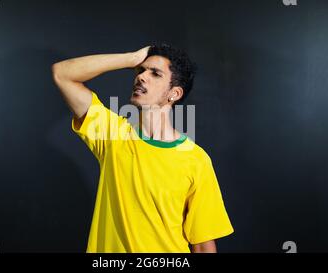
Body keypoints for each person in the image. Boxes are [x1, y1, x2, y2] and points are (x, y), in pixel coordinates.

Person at [52, 43, 234, 253]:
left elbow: (202, 245)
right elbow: (63, 74)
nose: (141, 76)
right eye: (140, 71)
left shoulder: (196, 160)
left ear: (174, 93)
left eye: (155, 73)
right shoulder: (113, 135)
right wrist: (131, 58)